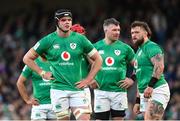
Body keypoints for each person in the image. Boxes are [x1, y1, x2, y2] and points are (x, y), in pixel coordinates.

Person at [23, 9, 102, 120]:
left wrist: (89, 79)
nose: (67, 22)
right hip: (58, 90)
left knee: (84, 119)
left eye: (69, 20)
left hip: (77, 90)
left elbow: (98, 59)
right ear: (57, 22)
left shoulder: (80, 39)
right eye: (63, 20)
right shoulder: (48, 40)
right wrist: (42, 72)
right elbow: (27, 58)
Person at [93, 18, 135, 120]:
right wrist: (89, 79)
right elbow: (83, 65)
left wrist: (132, 79)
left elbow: (139, 66)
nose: (117, 32)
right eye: (114, 30)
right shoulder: (96, 47)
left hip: (119, 91)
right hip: (101, 91)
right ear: (106, 30)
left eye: (118, 30)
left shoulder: (126, 48)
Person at [131, 21, 170, 120]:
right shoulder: (138, 52)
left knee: (151, 119)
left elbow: (159, 66)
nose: (134, 35)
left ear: (145, 33)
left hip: (157, 89)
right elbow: (139, 78)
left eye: (137, 32)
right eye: (132, 33)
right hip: (145, 93)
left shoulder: (151, 46)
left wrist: (150, 86)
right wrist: (137, 100)